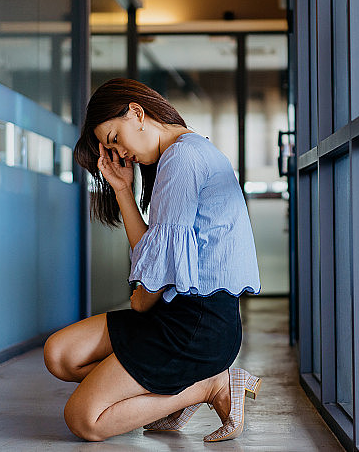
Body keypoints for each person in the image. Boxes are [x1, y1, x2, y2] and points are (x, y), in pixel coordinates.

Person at [43, 78, 262, 442]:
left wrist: (142, 299)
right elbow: (156, 249)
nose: (120, 151)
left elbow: (159, 275)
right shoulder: (181, 153)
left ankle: (208, 385)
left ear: (136, 112)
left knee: (84, 419)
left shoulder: (182, 158)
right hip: (173, 314)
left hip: (197, 328)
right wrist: (122, 189)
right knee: (60, 354)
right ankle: (169, 388)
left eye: (115, 138)